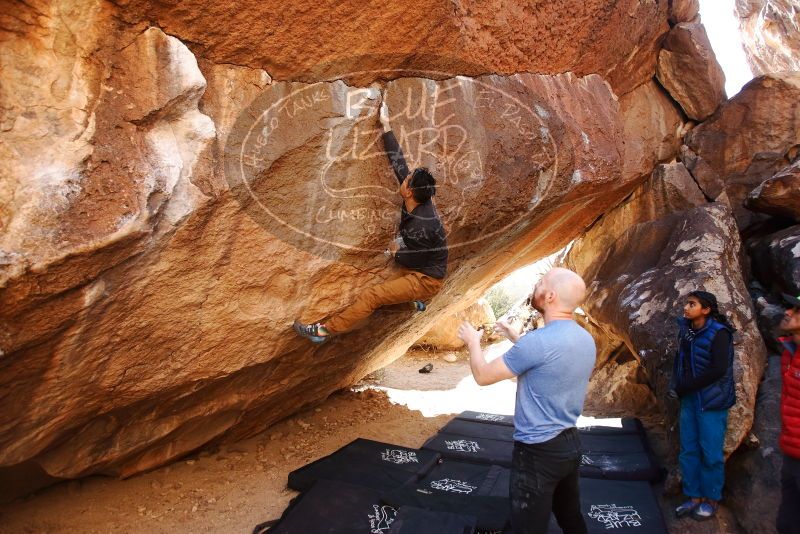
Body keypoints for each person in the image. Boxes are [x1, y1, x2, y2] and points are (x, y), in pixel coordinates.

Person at [294, 101, 448, 344]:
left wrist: (397, 252)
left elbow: (414, 259)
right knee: (386, 291)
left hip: (424, 278)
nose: (404, 178)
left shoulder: (423, 225)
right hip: (420, 266)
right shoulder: (419, 198)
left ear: (408, 192)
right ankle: (412, 303)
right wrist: (386, 125)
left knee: (373, 296)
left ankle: (323, 332)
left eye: (406, 180)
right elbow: (399, 163)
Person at [457, 267, 596, 534]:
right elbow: (549, 360)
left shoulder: (537, 343)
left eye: (541, 283)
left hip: (537, 451)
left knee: (527, 526)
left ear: (551, 296)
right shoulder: (584, 338)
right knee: (570, 516)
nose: (536, 286)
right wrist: (515, 338)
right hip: (569, 445)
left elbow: (483, 376)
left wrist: (473, 342)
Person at [669, 290, 736, 521]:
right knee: (688, 450)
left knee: (711, 453)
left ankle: (711, 499)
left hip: (712, 401)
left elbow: (719, 369)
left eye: (692, 304)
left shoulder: (720, 333)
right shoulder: (686, 331)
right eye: (687, 304)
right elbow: (681, 362)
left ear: (706, 310)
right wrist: (678, 385)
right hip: (689, 400)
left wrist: (687, 386)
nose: (686, 308)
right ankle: (693, 496)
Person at [776, 292, 800, 534]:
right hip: (791, 451)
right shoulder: (789, 350)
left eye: (796, 310)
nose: (788, 312)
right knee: (787, 524)